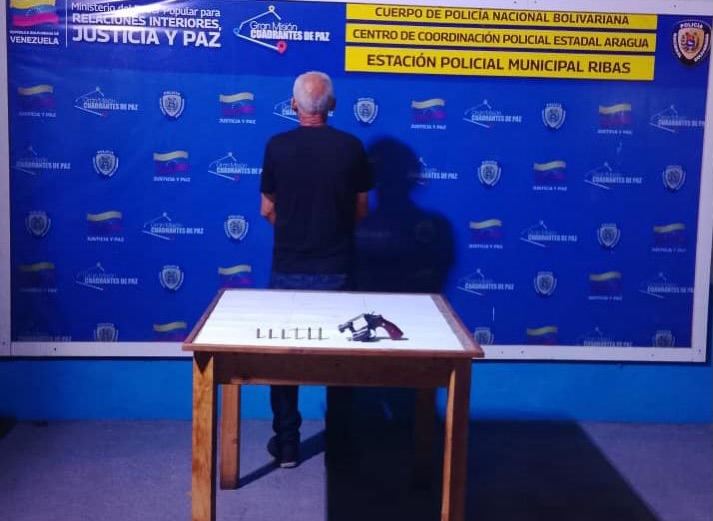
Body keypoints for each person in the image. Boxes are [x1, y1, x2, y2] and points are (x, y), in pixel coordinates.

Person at [259, 71, 373, 468]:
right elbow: (361, 210)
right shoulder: (352, 147)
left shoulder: (276, 146)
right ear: (333, 105)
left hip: (287, 270)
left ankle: (288, 444)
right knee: (341, 359)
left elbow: (267, 209)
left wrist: (293, 231)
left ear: (293, 105)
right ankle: (339, 445)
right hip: (338, 269)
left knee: (284, 359)